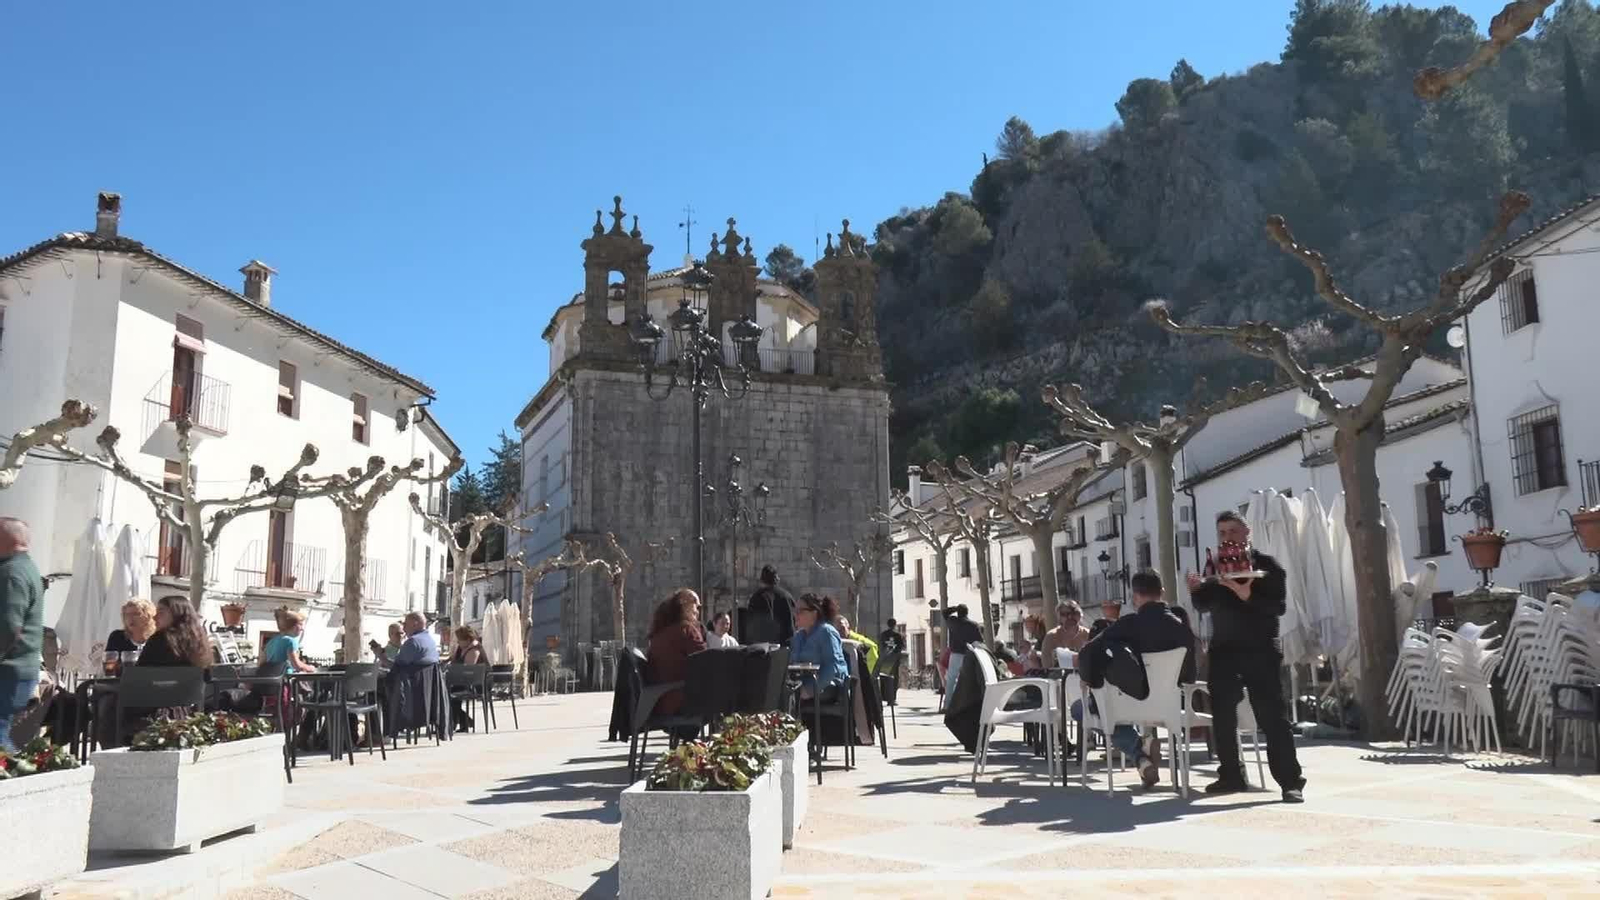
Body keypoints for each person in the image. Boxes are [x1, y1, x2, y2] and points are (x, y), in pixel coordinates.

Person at [1187, 510, 1305, 803]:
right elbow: (1204, 605)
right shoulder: (1214, 566)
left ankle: (1291, 781)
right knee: (1223, 717)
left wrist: (1247, 595)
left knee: (1272, 716)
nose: (1227, 537)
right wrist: (1195, 591)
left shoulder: (1268, 566)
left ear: (1247, 532)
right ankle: (1231, 774)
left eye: (1232, 531)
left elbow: (1278, 608)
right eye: (1222, 533)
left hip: (1261, 649)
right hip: (1224, 650)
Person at [1073, 570, 1196, 789]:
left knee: (1081, 709)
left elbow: (1087, 653)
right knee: (1096, 709)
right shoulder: (1182, 630)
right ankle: (1142, 752)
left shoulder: (1128, 624)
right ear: (1162, 593)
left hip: (1126, 706)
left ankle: (1139, 752)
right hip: (1168, 707)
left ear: (1135, 596)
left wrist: (1089, 679)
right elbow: (1189, 676)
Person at [0, 517, 44, 752]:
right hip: (20, 667)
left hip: (8, 668)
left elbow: (7, 626)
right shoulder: (26, 567)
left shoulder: (11, 573)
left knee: (0, 737)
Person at [644, 589, 705, 715]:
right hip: (680, 700)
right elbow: (706, 659)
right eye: (696, 606)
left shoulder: (659, 633)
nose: (697, 612)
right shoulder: (686, 630)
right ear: (685, 605)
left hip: (659, 701)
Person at [790, 594, 847, 701]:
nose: (795, 615)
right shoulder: (799, 636)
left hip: (829, 686)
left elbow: (832, 667)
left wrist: (809, 690)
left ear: (814, 613)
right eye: (795, 611)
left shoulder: (826, 632)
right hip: (803, 684)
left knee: (790, 697)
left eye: (800, 611)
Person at [137, 597, 214, 668]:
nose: (154, 617)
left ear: (177, 614)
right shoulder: (199, 638)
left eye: (161, 612)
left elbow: (140, 672)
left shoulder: (160, 638)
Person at [747, 565, 796, 644]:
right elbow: (794, 621)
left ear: (762, 580)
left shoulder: (756, 597)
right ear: (776, 579)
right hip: (785, 645)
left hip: (763, 647)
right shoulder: (787, 596)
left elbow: (751, 625)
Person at [450, 626, 485, 733]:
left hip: (476, 684)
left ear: (468, 639)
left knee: (449, 694)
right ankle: (462, 721)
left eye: (459, 639)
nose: (458, 642)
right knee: (448, 692)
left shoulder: (474, 649)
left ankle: (457, 722)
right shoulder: (463, 648)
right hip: (463, 681)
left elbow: (468, 670)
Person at [944, 604, 982, 701]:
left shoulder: (953, 622)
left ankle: (948, 704)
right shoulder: (973, 625)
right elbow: (979, 641)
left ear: (958, 612)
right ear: (967, 612)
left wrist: (954, 608)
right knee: (969, 680)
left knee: (951, 680)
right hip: (969, 655)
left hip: (956, 654)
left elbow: (944, 613)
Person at [262, 608, 318, 674]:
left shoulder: (271, 642)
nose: (302, 629)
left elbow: (262, 663)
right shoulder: (291, 641)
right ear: (293, 626)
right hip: (283, 680)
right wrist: (311, 668)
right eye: (300, 624)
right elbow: (297, 665)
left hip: (270, 679)